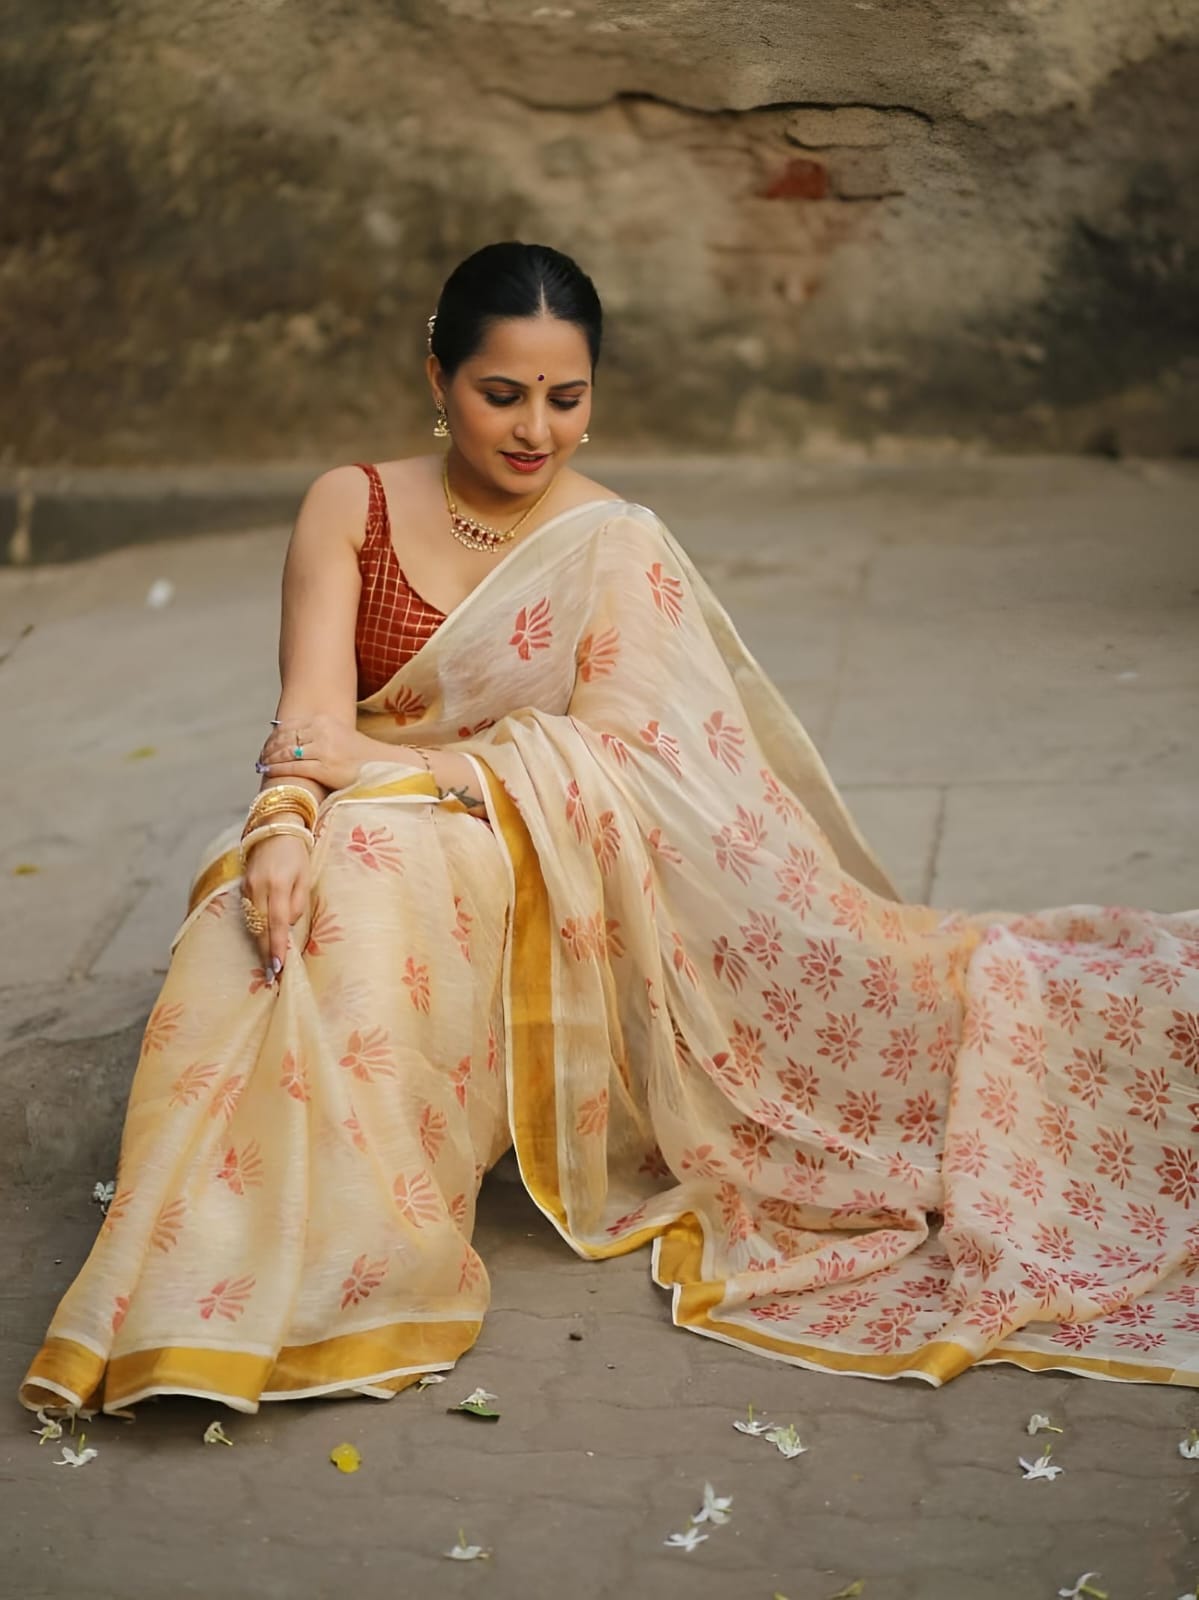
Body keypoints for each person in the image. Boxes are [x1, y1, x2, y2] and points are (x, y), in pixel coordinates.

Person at [21, 241, 1198, 1417]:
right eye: (501, 394)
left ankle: (349, 1275)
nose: (536, 429)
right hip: (345, 818)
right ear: (436, 380)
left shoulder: (611, 540)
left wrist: (395, 769)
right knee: (255, 920)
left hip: (519, 861)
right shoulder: (353, 506)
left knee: (373, 876)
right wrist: (280, 826)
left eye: (566, 397)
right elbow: (308, 721)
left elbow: (636, 773)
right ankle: (196, 1276)